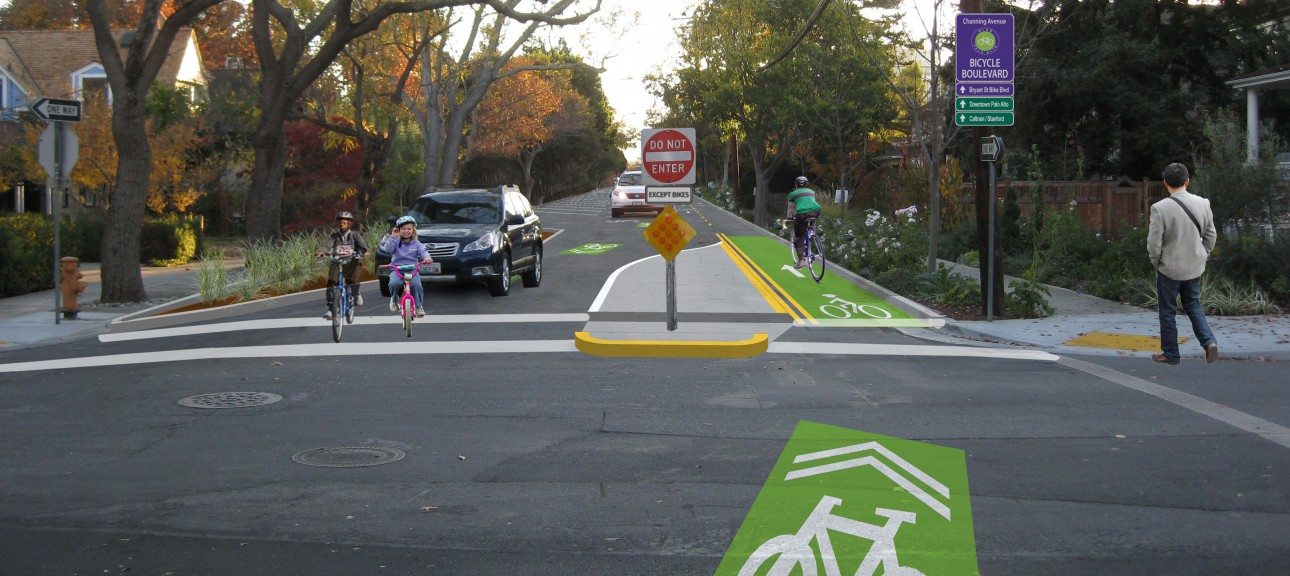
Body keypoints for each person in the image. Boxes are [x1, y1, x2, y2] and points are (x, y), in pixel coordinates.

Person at [1147, 162, 1219, 365]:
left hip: (1169, 268)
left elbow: (1154, 243)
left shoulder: (1160, 208)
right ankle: (1209, 342)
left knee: (1167, 311)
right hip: (1194, 267)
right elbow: (1211, 235)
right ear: (1187, 181)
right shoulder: (1203, 203)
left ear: (1165, 183)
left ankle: (1171, 354)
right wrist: (1203, 254)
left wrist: (1156, 262)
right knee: (1193, 305)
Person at [317, 211, 368, 321]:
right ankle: (332, 309)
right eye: (340, 222)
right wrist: (321, 251)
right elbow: (327, 246)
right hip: (337, 261)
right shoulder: (334, 236)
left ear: (349, 223)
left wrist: (363, 253)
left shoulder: (355, 235)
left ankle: (356, 293)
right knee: (331, 282)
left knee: (353, 279)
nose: (341, 224)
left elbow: (363, 247)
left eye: (344, 222)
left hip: (352, 261)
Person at [380, 215, 433, 318]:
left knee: (416, 285)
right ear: (399, 230)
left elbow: (423, 251)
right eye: (403, 229)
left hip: (412, 269)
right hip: (397, 269)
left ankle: (419, 307)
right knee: (393, 283)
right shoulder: (395, 241)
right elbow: (387, 250)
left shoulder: (416, 243)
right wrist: (393, 236)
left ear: (413, 230)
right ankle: (394, 300)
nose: (406, 231)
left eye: (409, 229)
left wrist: (427, 258)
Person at [786, 175, 822, 269]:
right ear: (806, 184)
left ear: (796, 185)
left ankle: (801, 260)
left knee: (798, 237)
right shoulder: (811, 191)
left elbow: (791, 208)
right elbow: (810, 203)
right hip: (816, 211)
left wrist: (789, 218)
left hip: (802, 214)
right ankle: (812, 234)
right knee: (812, 219)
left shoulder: (792, 194)